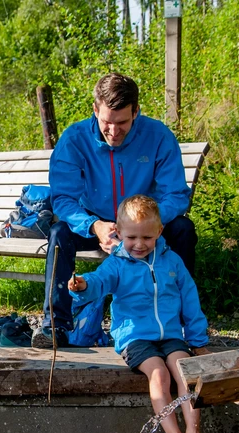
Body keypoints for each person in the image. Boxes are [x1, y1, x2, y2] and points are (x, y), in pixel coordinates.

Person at [33, 73, 197, 348]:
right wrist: (94, 226)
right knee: (59, 232)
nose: (113, 131)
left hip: (144, 226)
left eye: (122, 122)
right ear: (95, 110)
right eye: (106, 122)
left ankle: (179, 323)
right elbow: (63, 199)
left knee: (183, 229)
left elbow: (176, 195)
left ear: (136, 111)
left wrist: (144, 224)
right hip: (94, 224)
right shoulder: (74, 139)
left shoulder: (158, 136)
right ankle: (55, 326)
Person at [69, 195, 210, 433]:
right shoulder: (117, 264)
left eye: (147, 237)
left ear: (159, 231)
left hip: (170, 336)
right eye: (132, 237)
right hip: (135, 338)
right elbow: (99, 281)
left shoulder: (172, 262)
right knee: (159, 374)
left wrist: (197, 341)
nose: (139, 244)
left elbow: (190, 301)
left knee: (186, 373)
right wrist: (83, 285)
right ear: (119, 233)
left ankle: (193, 430)